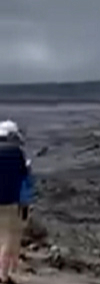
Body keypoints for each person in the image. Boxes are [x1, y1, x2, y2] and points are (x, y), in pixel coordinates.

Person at [0, 120, 29, 284]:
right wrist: (24, 205)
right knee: (6, 241)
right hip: (9, 203)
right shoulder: (17, 154)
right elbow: (24, 181)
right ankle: (3, 276)